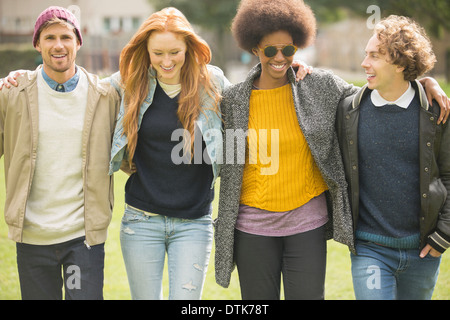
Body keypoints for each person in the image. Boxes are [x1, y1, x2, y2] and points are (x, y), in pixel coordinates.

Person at [214, 0, 449, 300]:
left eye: (288, 49)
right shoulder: (234, 101)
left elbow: (378, 93)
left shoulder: (318, 86)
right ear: (254, 48)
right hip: (252, 227)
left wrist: (423, 81)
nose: (280, 57)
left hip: (306, 225)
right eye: (270, 50)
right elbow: (227, 162)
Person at [107, 7, 230, 300]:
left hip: (194, 222)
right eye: (157, 53)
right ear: (145, 51)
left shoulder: (212, 83)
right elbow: (81, 91)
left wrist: (293, 70)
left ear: (189, 47)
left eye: (174, 52)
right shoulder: (130, 81)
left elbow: (255, 98)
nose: (166, 61)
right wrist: (25, 78)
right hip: (141, 220)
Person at [0, 6, 120, 300]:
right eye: (49, 37)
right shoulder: (13, 93)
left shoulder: (103, 96)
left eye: (66, 37)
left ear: (78, 42)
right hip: (32, 237)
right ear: (37, 44)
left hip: (82, 239)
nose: (58, 45)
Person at [336, 15, 450, 300]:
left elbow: (447, 175)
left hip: (423, 251)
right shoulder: (349, 110)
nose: (365, 63)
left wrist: (444, 235)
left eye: (375, 56)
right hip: (369, 249)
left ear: (400, 63)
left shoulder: (436, 113)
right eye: (366, 54)